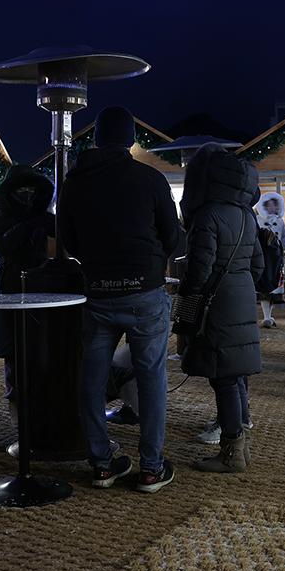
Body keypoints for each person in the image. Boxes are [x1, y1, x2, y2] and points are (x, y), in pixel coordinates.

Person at [57, 106, 183, 493]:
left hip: (97, 294)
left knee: (91, 381)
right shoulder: (149, 178)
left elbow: (69, 241)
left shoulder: (75, 182)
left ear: (95, 139)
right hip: (145, 291)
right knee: (151, 379)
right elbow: (175, 239)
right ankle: (151, 466)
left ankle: (100, 463)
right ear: (130, 139)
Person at [178, 144, 264, 473]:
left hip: (217, 302)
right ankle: (239, 442)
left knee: (224, 379)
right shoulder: (246, 214)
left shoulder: (208, 214)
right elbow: (257, 265)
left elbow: (199, 270)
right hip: (241, 295)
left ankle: (232, 453)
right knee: (236, 374)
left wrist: (186, 307)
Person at [0, 165, 54, 406]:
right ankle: (18, 410)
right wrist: (29, 223)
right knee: (14, 350)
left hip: (41, 284)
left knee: (41, 346)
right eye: (21, 189)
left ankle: (41, 405)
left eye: (31, 189)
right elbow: (1, 246)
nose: (27, 194)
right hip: (11, 287)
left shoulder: (43, 217)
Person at [254, 192, 285, 329]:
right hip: (261, 257)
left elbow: (284, 237)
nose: (271, 208)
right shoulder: (257, 220)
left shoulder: (280, 222)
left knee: (272, 287)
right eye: (268, 205)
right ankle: (266, 316)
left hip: (275, 259)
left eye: (274, 205)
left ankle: (268, 316)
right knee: (263, 286)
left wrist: (281, 248)